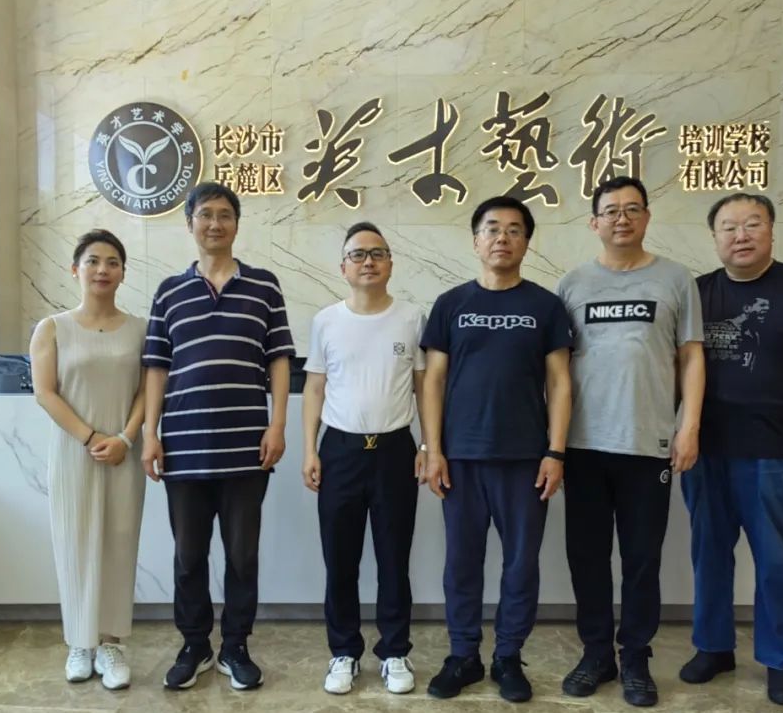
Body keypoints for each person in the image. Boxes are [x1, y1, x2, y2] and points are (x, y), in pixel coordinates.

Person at [679, 193, 783, 707]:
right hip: (705, 450)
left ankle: (780, 660)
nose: (741, 235)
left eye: (753, 224)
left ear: (772, 230)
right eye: (729, 227)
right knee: (709, 553)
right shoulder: (697, 293)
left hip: (776, 450)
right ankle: (713, 647)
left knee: (777, 560)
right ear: (714, 237)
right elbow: (676, 365)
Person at [555, 176, 704, 707]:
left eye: (632, 209)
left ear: (646, 217)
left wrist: (689, 426)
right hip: (584, 446)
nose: (622, 218)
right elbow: (557, 370)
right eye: (611, 210)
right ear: (594, 222)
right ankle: (597, 653)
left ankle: (636, 657)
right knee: (588, 557)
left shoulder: (676, 279)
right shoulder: (572, 284)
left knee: (642, 559)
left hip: (648, 444)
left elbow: (691, 356)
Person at [141, 182, 295, 692]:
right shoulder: (169, 291)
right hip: (183, 448)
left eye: (224, 214)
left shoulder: (264, 286)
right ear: (189, 223)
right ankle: (194, 645)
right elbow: (157, 367)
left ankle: (235, 646)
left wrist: (277, 424)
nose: (214, 223)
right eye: (205, 214)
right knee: (188, 556)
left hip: (248, 447)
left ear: (236, 224)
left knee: (242, 555)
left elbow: (279, 360)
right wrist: (150, 434)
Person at [421, 196, 572, 704]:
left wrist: (556, 452)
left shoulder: (545, 306)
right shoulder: (451, 304)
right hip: (460, 458)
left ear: (526, 242)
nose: (502, 238)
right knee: (462, 564)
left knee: (520, 564)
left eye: (513, 230)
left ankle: (508, 655)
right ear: (475, 241)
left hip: (525, 459)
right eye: (492, 229)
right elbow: (433, 381)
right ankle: (463, 654)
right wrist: (433, 448)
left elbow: (560, 381)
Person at [302, 222, 427, 696]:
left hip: (395, 450)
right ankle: (344, 652)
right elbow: (315, 388)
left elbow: (424, 387)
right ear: (343, 267)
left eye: (377, 253)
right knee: (340, 560)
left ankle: (394, 652)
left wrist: (428, 446)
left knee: (394, 558)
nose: (368, 261)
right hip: (340, 451)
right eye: (358, 254)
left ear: (391, 263)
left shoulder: (412, 318)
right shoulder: (326, 321)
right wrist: (310, 449)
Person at [30, 229, 147, 690]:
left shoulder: (140, 329)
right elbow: (45, 392)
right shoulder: (53, 327)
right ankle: (80, 642)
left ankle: (112, 643)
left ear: (123, 273)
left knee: (119, 544)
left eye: (113, 262)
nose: (103, 269)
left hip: (123, 453)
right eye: (93, 261)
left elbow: (147, 391)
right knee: (75, 543)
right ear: (75, 269)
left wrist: (125, 438)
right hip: (73, 452)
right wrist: (91, 437)